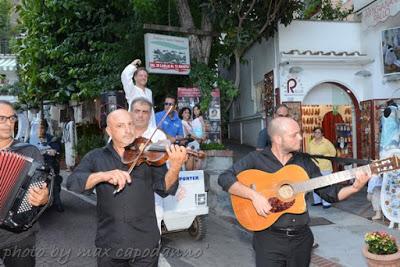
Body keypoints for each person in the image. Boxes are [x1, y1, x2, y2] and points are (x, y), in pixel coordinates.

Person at [218, 117, 371, 266]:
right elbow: (225, 178)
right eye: (294, 135)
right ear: (278, 139)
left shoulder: (304, 162)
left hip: (301, 240)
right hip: (268, 240)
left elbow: (330, 193)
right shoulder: (256, 159)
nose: (300, 137)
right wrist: (254, 196)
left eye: (300, 133)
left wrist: (355, 187)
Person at [67, 109, 187, 266]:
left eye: (130, 124)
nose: (128, 130)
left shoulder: (148, 154)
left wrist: (175, 167)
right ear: (109, 130)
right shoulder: (96, 157)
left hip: (145, 244)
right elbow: (73, 182)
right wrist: (103, 176)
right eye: (120, 126)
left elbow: (165, 189)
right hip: (110, 244)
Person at [0, 100, 50, 267]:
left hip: (18, 235)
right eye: (2, 119)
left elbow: (43, 192)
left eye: (11, 119)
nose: (8, 124)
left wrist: (44, 198)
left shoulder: (29, 152)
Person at [130, 97, 172, 234]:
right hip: (126, 196)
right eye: (137, 111)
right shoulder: (122, 133)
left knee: (152, 242)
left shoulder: (158, 135)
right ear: (130, 113)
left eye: (145, 112)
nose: (141, 115)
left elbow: (168, 167)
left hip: (151, 198)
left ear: (150, 115)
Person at [37, 120, 64, 212]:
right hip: (36, 166)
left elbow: (56, 151)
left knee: (54, 182)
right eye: (38, 128)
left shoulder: (52, 139)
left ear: (46, 128)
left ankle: (58, 202)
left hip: (50, 166)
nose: (39, 130)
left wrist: (52, 151)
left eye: (42, 128)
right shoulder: (31, 139)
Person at [306, 127, 337, 209]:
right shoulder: (311, 143)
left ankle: (326, 202)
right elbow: (308, 154)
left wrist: (325, 157)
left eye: (318, 132)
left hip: (325, 166)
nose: (317, 134)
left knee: (325, 185)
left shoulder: (326, 142)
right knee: (315, 184)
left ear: (322, 134)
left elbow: (333, 153)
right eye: (315, 132)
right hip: (314, 167)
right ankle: (317, 201)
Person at [121, 59, 156, 128]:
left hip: (149, 127)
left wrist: (153, 128)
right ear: (135, 78)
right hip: (135, 127)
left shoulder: (149, 92)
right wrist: (132, 65)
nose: (143, 78)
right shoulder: (131, 90)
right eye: (141, 75)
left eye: (145, 76)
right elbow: (125, 76)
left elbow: (151, 112)